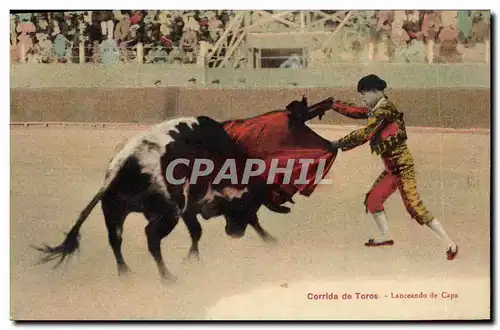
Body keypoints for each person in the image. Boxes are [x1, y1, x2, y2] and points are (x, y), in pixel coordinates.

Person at [330, 74, 458, 260]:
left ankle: (450, 243)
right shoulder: (378, 107)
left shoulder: (384, 110)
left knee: (415, 207)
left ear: (375, 91)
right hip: (391, 168)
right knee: (373, 200)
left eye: (364, 93)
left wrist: (338, 144)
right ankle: (385, 236)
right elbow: (357, 111)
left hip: (402, 167)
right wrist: (334, 105)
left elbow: (366, 133)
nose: (362, 98)